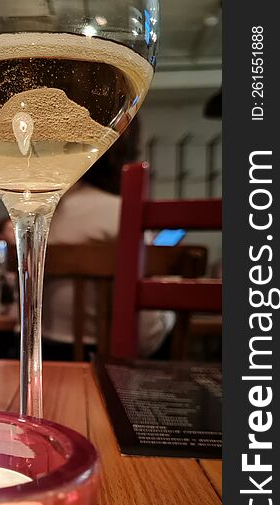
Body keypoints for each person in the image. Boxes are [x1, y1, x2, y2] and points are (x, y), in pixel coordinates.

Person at [42, 118, 175, 359]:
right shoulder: (124, 214)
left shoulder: (42, 212)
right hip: (107, 368)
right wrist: (169, 317)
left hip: (41, 357)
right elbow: (146, 336)